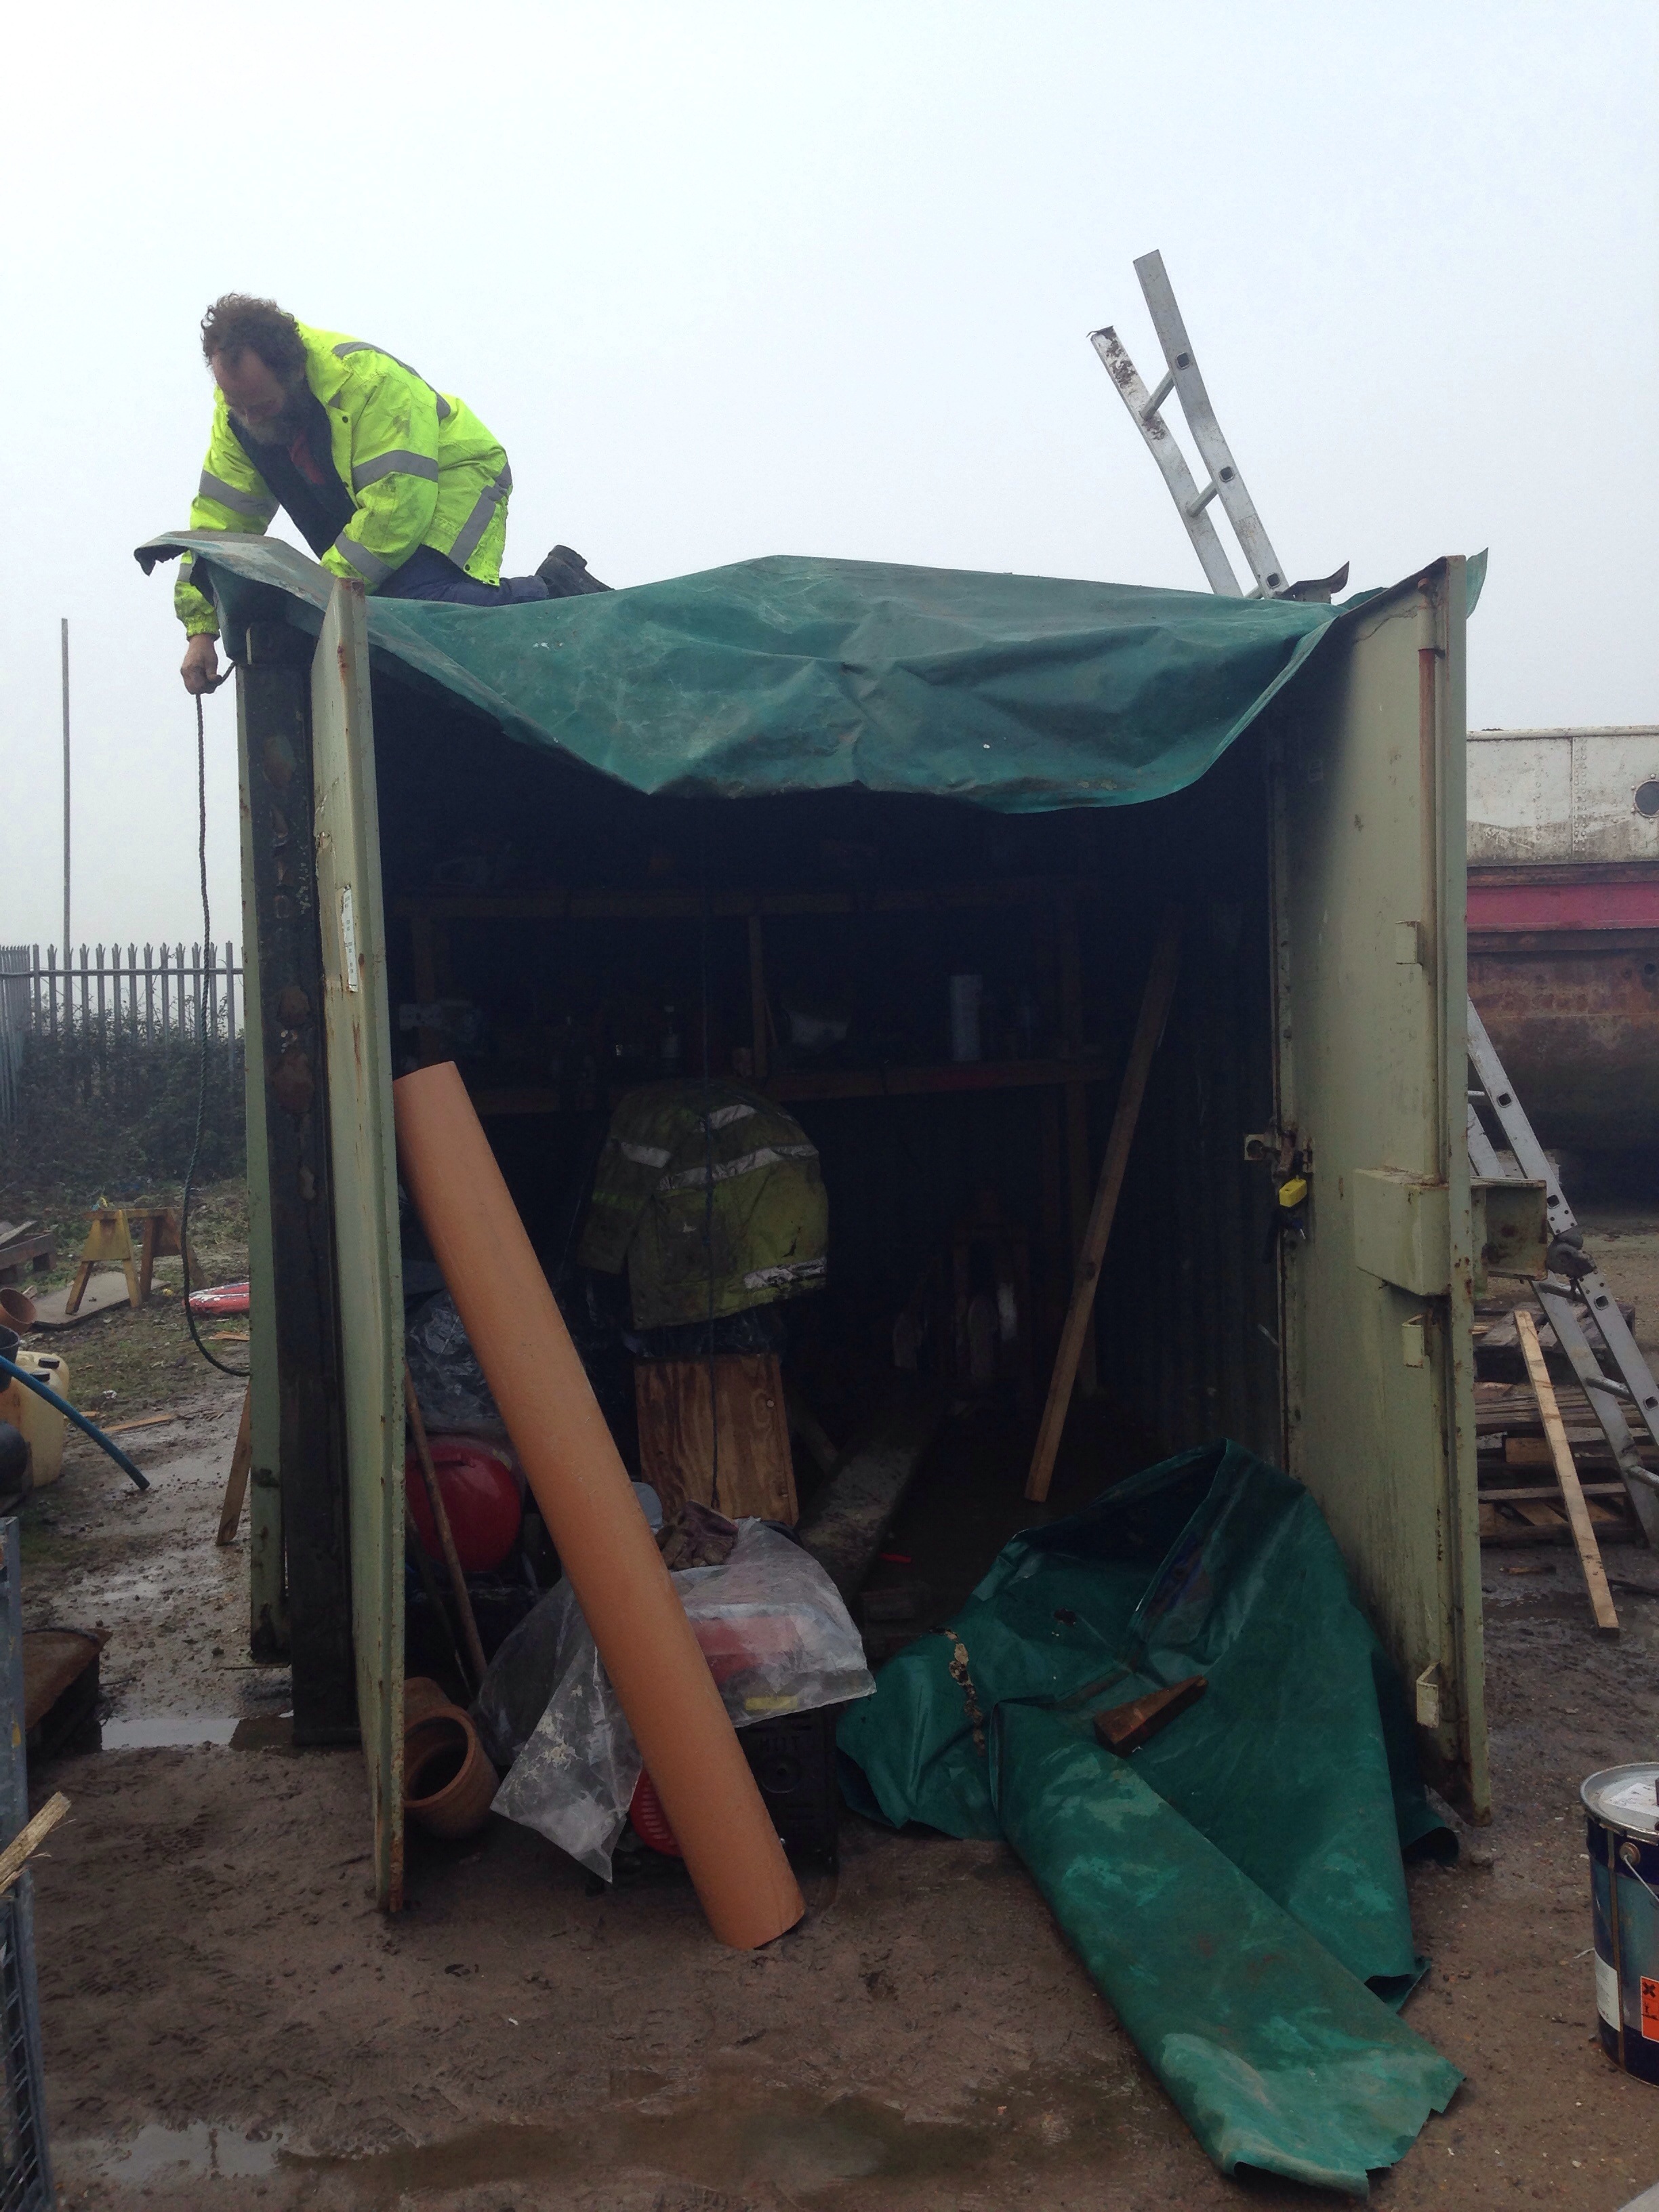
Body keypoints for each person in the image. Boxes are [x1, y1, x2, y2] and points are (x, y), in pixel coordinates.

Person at [176, 293, 606, 694]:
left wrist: (314, 594)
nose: (249, 418)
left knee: (414, 606)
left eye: (262, 406)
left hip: (455, 477)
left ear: (294, 371)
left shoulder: (368, 382)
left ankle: (554, 592)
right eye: (236, 405)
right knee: (368, 622)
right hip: (374, 510)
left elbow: (394, 513)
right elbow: (219, 527)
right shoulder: (237, 416)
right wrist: (201, 631)